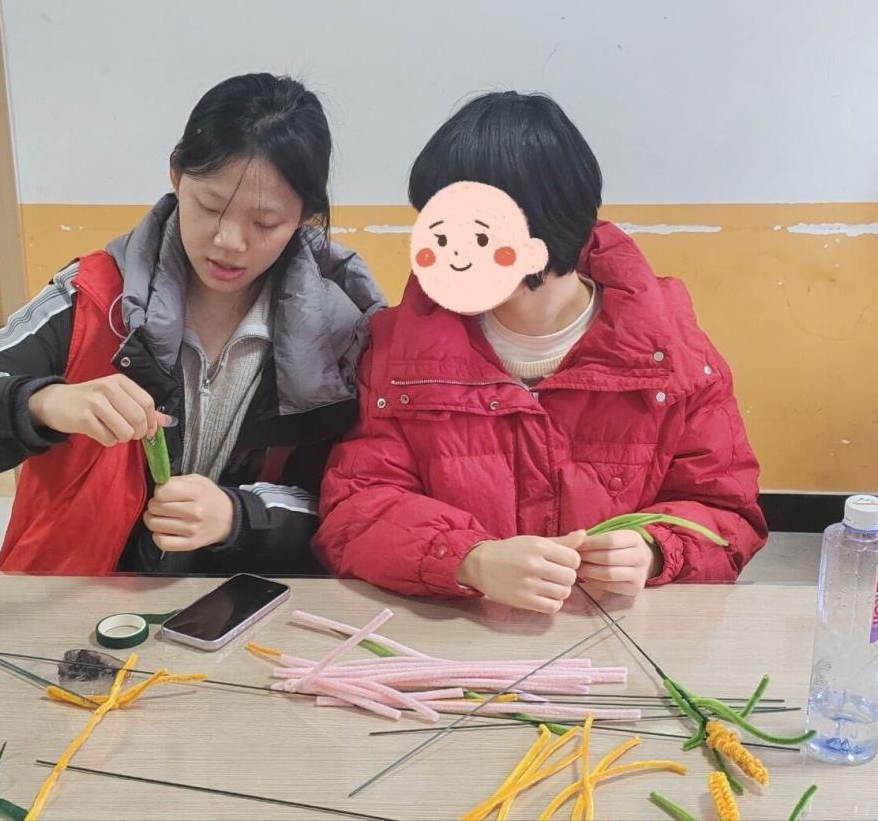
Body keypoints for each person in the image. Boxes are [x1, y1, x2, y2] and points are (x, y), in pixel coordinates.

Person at [0, 73, 384, 576]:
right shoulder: (97, 295)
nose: (229, 241)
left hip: (255, 598)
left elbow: (364, 501)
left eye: (265, 223)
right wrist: (43, 402)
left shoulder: (342, 332)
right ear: (176, 175)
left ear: (305, 215)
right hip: (89, 596)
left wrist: (241, 516)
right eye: (210, 206)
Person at [315, 91, 766, 612]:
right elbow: (355, 509)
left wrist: (655, 551)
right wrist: (469, 559)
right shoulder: (400, 350)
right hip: (459, 631)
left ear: (546, 230)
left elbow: (729, 515)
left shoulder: (675, 358)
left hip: (611, 636)